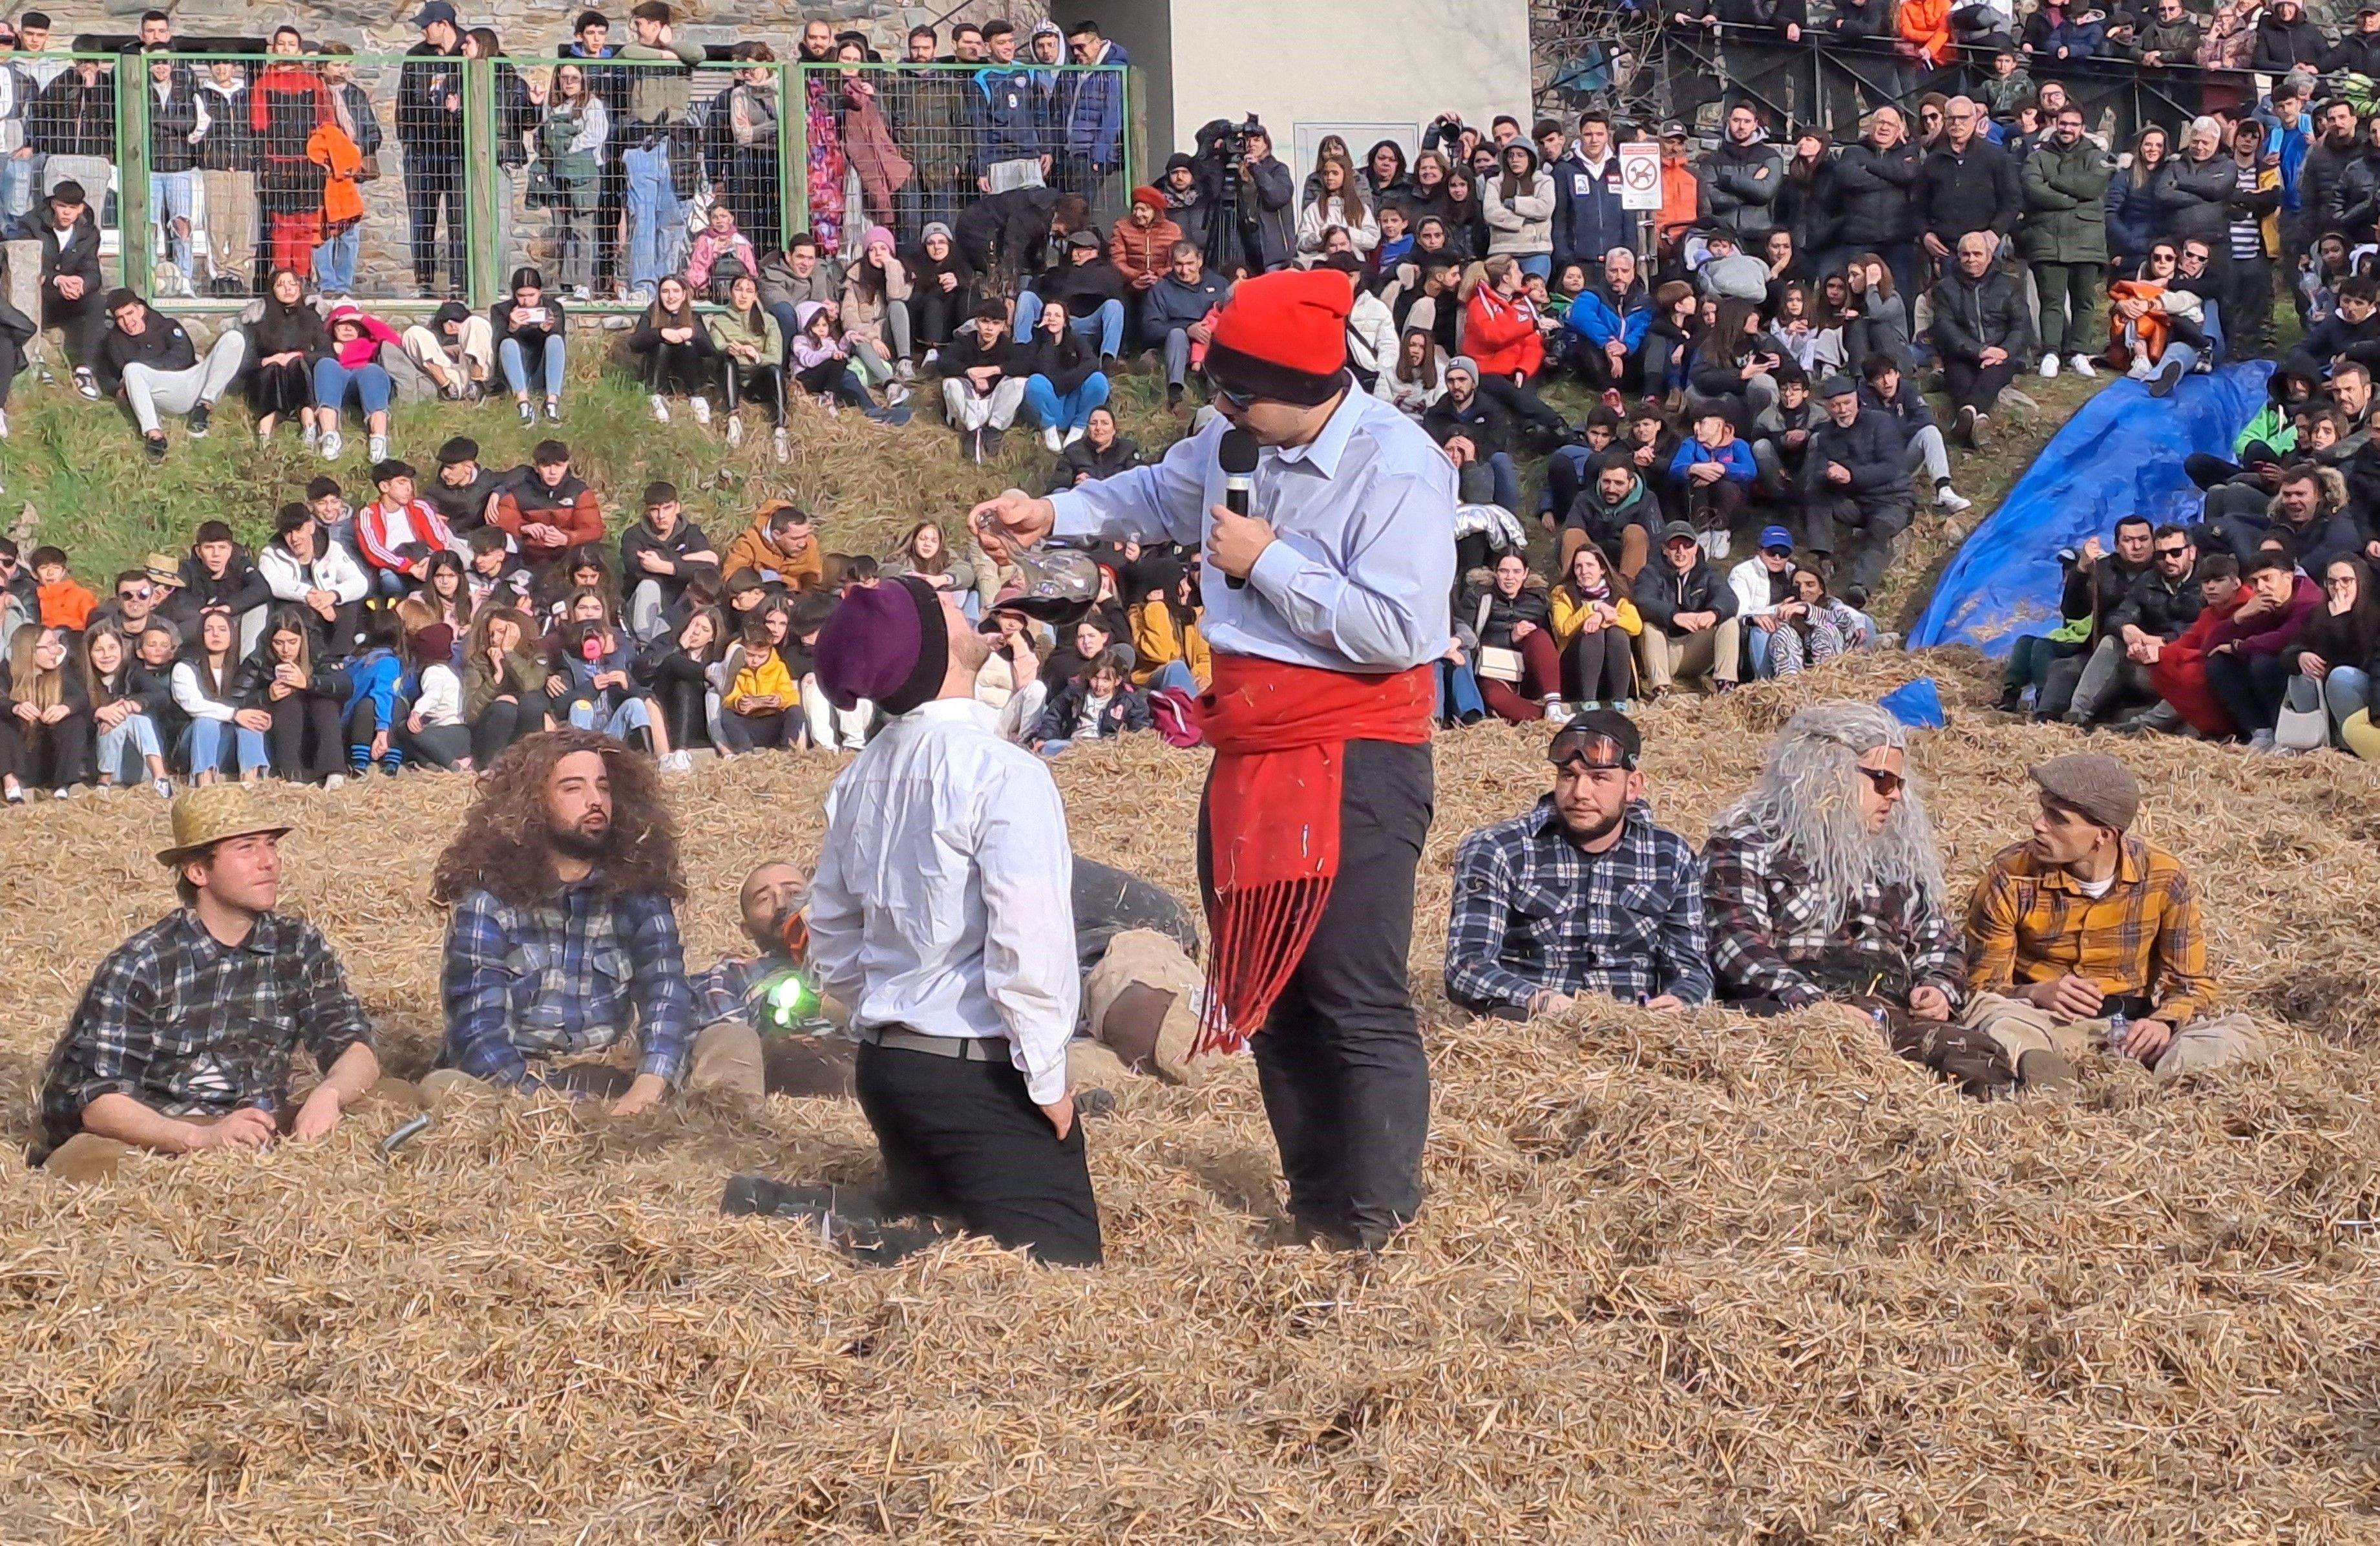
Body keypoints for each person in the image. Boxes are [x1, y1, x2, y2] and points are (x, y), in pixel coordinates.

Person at [971, 266, 1455, 1252]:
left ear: (1308, 387)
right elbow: (1158, 488)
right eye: (1218, 392)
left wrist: (1266, 561)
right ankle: (1314, 1206)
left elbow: (1400, 630)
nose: (1220, 410)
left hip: (1354, 750)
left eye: (1239, 393)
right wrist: (1054, 515)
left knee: (1352, 993)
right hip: (1251, 750)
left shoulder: (1400, 468)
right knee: (1266, 995)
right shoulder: (1236, 441)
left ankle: (1378, 1224)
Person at [742, 577, 1101, 1266]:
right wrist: (1048, 1079)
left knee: (948, 1231)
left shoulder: (861, 774)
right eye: (943, 604)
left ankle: (831, 1221)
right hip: (976, 1069)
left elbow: (835, 938)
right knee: (1063, 1267)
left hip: (889, 1067)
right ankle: (807, 1218)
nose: (964, 606)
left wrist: (893, 1003)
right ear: (929, 644)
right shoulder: (1003, 773)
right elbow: (1028, 945)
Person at [32, 788, 402, 1182]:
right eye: (246, 848)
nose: (269, 863)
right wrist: (201, 1138)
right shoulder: (145, 963)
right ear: (198, 872)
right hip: (162, 1136)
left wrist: (329, 1095)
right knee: (87, 1167)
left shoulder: (298, 945)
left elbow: (354, 1046)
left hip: (264, 1123)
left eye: (271, 846)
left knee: (400, 1102)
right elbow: (97, 1101)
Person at [1702, 701, 2055, 1096]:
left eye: (1899, 784)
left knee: (1974, 1060)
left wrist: (1937, 987)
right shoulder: (1748, 842)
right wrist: (1819, 1008)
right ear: (1827, 774)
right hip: (1789, 1008)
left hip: (1890, 1007)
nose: (1895, 797)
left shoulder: (1896, 851)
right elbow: (1737, 944)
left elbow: (1938, 938)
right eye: (1883, 781)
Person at [425, 728, 763, 1112]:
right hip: (525, 1088)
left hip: (619, 1073)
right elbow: (478, 1036)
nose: (595, 801)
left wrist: (647, 1087)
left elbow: (665, 993)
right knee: (445, 1087)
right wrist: (556, 1109)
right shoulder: (490, 903)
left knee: (732, 1041)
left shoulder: (638, 893)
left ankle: (715, 1136)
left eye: (603, 787)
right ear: (532, 804)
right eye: (573, 789)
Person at [1966, 755, 2264, 1080]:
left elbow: (2191, 984)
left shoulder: (2164, 878)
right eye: (2042, 810)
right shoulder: (2011, 875)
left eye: (2058, 819)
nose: (2038, 824)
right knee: (1996, 1019)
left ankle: (2169, 1091)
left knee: (2235, 1035)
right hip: (2040, 1017)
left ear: (2105, 835)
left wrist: (2163, 1022)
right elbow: (1983, 984)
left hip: (2131, 1025)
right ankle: (2046, 1078)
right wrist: (2036, 993)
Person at [1444, 709, 1708, 1020]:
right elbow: (1466, 965)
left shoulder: (1671, 855)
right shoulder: (1498, 849)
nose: (1580, 793)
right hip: (1529, 1030)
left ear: (1633, 787)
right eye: (1569, 775)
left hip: (1637, 1033)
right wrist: (1541, 1000)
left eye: (1599, 779)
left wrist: (1681, 1000)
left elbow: (1692, 969)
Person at [1801, 374, 1917, 605]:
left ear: (1857, 399)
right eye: (1835, 406)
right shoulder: (1826, 436)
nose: (1843, 410)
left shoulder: (1881, 422)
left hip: (1892, 500)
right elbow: (1817, 471)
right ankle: (1823, 555)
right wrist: (1828, 474)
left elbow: (1891, 468)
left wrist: (1850, 475)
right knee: (1815, 489)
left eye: (1847, 403)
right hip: (1854, 503)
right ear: (1827, 407)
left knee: (1877, 532)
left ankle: (1860, 585)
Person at [95, 290, 244, 462]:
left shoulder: (166, 325)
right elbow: (107, 376)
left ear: (141, 310)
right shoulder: (114, 342)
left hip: (193, 379)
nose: (128, 322)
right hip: (163, 392)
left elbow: (184, 356)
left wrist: (147, 364)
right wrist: (119, 391)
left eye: (130, 313)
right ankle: (155, 436)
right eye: (120, 318)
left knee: (234, 338)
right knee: (131, 370)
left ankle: (203, 408)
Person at [2022, 105, 2112, 379]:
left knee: (2084, 301)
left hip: (2088, 239)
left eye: (2074, 124)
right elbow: (2032, 190)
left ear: (2082, 128)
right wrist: (2072, 200)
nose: (2068, 129)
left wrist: (2055, 182)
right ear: (2055, 124)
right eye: (2063, 123)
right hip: (2047, 239)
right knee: (2051, 300)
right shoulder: (2037, 156)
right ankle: (2051, 352)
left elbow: (2092, 187)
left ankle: (2079, 352)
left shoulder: (2098, 156)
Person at [2204, 548, 2321, 748]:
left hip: (2305, 668)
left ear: (2288, 578)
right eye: (2256, 582)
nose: (2261, 587)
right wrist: (2239, 618)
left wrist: (2239, 646)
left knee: (2263, 662)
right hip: (2274, 663)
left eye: (2268, 579)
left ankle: (2282, 734)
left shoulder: (2310, 600)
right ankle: (2261, 732)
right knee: (2218, 664)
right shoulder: (2263, 603)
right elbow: (2208, 647)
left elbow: (2285, 638)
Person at [1633, 521, 1741, 696]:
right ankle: (1661, 690)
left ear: (1696, 547)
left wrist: (1714, 613)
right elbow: (1643, 601)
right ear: (1664, 549)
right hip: (1665, 651)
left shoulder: (1709, 573)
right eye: (1674, 546)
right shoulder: (1650, 573)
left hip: (1696, 649)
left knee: (1729, 622)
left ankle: (1725, 686)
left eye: (1687, 545)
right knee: (1649, 628)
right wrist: (1674, 616)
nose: (1681, 551)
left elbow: (1729, 599)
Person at [708, 271, 788, 461]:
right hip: (732, 378)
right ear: (730, 293)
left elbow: (776, 357)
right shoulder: (719, 322)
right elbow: (716, 346)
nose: (743, 295)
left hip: (758, 379)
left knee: (775, 371)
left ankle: (780, 429)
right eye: (739, 289)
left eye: (749, 291)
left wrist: (755, 355)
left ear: (755, 296)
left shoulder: (768, 321)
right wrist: (730, 349)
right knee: (727, 361)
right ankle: (733, 418)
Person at [490, 440, 605, 570]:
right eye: (546, 466)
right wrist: (523, 527)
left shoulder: (578, 491)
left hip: (568, 558)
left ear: (567, 465)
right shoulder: (519, 491)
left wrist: (567, 539)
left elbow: (594, 530)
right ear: (537, 468)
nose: (553, 472)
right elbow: (498, 522)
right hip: (527, 558)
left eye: (558, 466)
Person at [493, 267, 567, 426]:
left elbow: (559, 343)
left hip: (542, 370)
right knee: (508, 343)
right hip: (514, 371)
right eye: (521, 296)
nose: (526, 301)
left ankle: (552, 403)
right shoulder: (501, 310)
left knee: (555, 340)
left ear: (540, 292)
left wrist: (545, 330)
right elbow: (497, 345)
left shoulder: (553, 309)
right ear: (514, 294)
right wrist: (512, 327)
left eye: (531, 295)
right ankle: (524, 404)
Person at [722, 499, 823, 590]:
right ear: (776, 535)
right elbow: (733, 575)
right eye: (795, 538)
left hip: (795, 595)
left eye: (805, 535)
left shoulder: (811, 542)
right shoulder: (750, 541)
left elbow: (812, 575)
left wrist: (785, 581)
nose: (802, 543)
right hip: (759, 594)